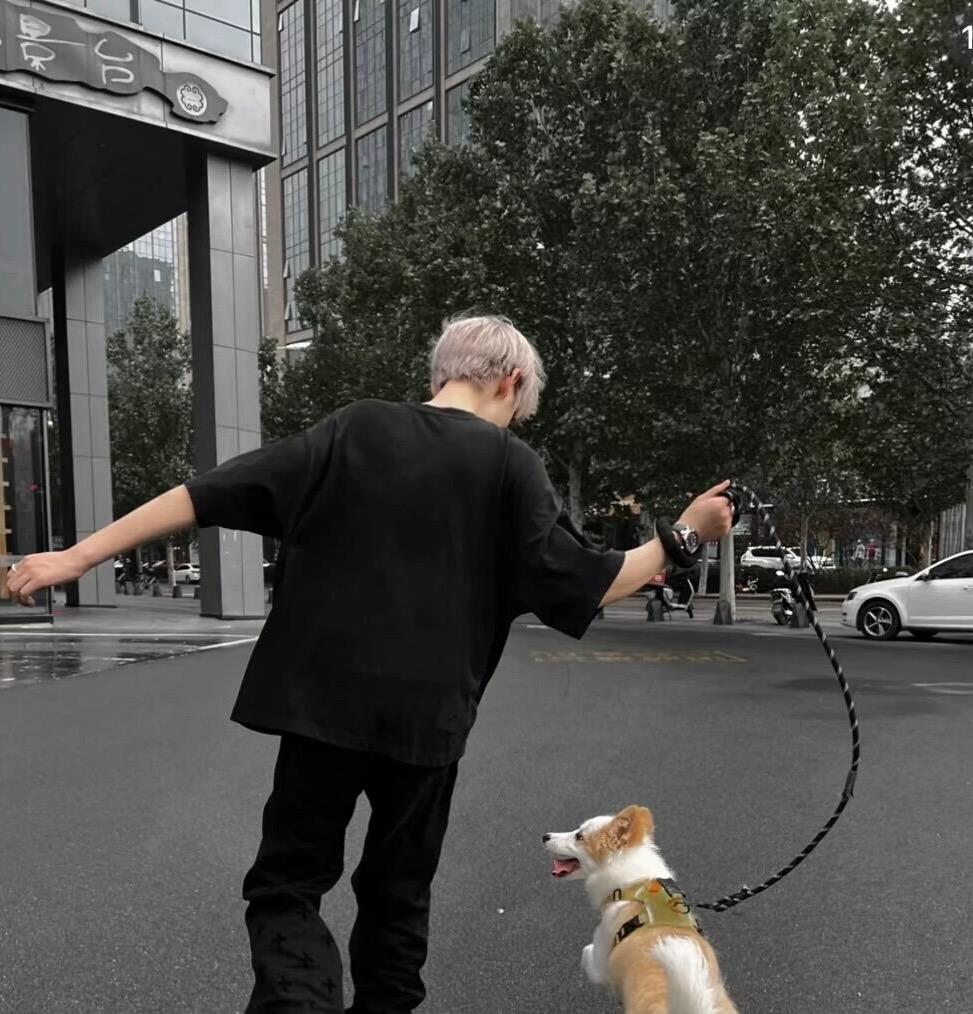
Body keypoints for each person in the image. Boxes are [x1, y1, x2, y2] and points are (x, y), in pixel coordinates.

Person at [6, 314, 734, 1014]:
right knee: (397, 891)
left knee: (288, 885)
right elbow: (590, 578)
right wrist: (686, 533)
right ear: (511, 383)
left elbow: (207, 494)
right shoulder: (511, 466)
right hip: (428, 722)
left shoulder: (355, 428)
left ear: (444, 371)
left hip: (319, 704)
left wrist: (75, 556)